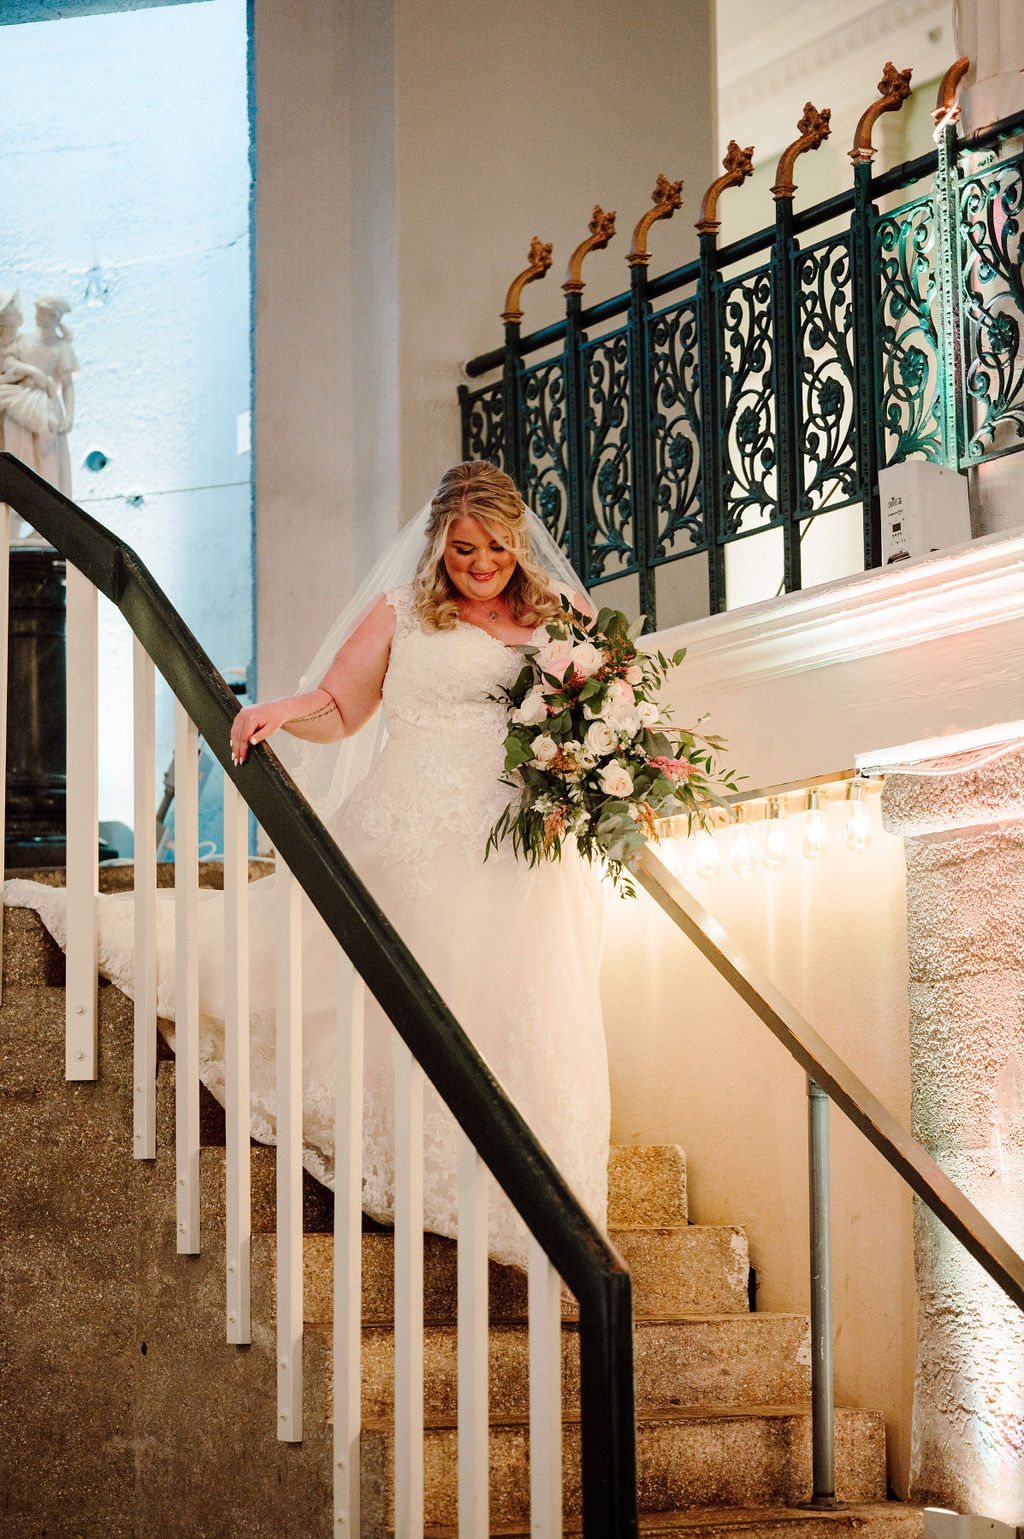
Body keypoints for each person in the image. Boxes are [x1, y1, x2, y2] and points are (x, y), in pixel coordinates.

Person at [6, 462, 610, 1268]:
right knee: (362, 983)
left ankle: (537, 1216)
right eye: (463, 548)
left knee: (514, 1003)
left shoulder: (559, 614)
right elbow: (342, 706)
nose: (480, 564)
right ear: (438, 543)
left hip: (514, 848)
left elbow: (605, 701)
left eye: (496, 547)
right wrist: (283, 712)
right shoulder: (403, 612)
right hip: (410, 833)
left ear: (519, 541)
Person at [0, 294, 78, 496]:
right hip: (20, 400)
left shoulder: (62, 347)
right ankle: (19, 499)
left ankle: (48, 505)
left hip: (46, 403)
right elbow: (7, 362)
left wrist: (69, 415)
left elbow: (68, 385)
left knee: (48, 451)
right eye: (37, 311)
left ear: (53, 317)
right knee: (18, 452)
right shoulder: (23, 339)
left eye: (41, 313)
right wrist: (33, 372)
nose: (36, 316)